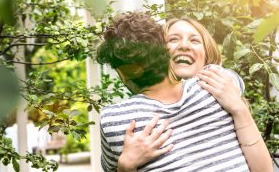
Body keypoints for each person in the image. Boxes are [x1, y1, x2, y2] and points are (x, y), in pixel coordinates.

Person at [97, 12, 273, 171]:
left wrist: (240, 109)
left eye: (194, 40)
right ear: (161, 52)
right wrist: (126, 165)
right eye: (173, 39)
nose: (184, 46)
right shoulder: (122, 121)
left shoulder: (222, 83)